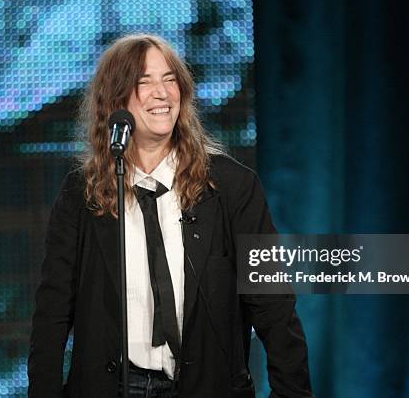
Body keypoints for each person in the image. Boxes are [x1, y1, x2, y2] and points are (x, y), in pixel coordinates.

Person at [28, 33, 313, 398]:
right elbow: (52, 314)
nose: (161, 93)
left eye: (169, 79)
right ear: (114, 102)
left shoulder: (232, 187)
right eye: (143, 82)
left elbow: (273, 303)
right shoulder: (79, 195)